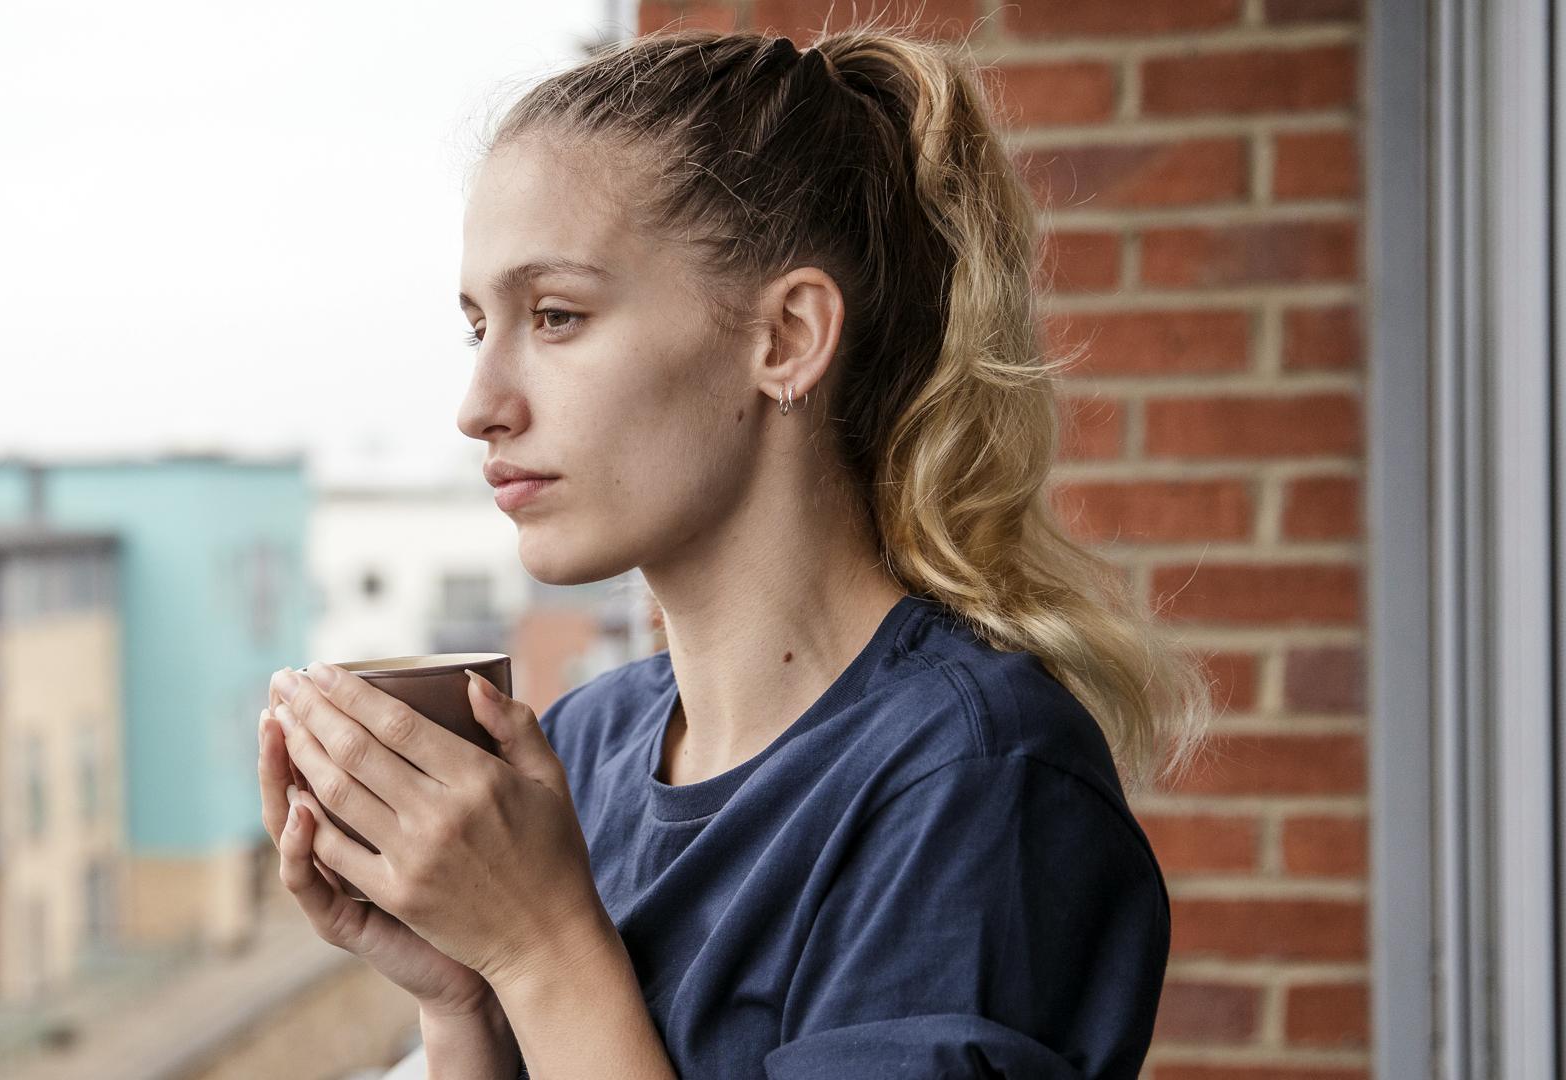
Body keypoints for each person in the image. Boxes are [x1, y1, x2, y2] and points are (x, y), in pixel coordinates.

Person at [257, 20, 1215, 1080]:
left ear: (786, 338)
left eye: (559, 315)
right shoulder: (579, 751)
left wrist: (539, 947)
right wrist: (462, 994)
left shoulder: (978, 781)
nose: (479, 405)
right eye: (479, 328)